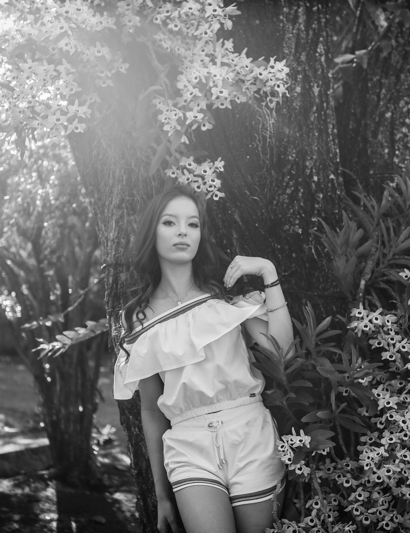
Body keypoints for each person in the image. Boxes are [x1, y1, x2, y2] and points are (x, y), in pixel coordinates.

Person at [113, 184, 294, 533]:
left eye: (192, 224)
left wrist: (269, 273)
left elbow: (282, 353)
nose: (183, 231)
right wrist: (162, 496)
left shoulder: (225, 295)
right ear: (152, 232)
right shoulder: (137, 317)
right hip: (188, 445)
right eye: (170, 222)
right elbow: (150, 410)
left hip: (250, 434)